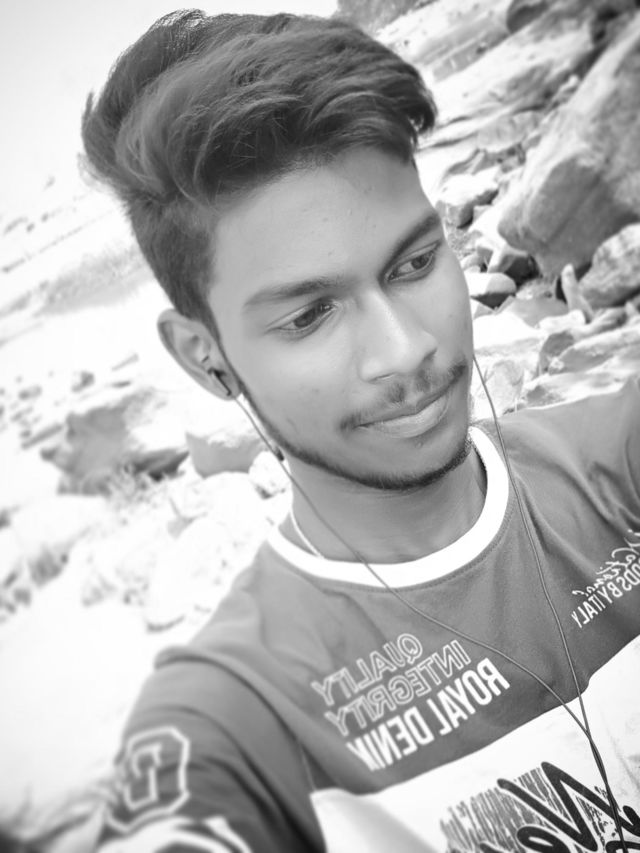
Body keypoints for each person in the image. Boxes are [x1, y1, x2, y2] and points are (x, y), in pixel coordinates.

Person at [82, 10, 640, 853]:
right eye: (310, 315)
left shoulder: (615, 465)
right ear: (206, 357)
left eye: (414, 264)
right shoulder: (240, 717)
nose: (405, 349)